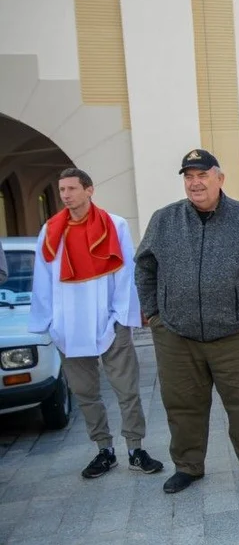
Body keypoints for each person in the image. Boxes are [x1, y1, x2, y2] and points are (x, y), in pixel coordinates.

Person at [135, 149, 239, 494]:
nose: (195, 183)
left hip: (237, 334)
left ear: (220, 178)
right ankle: (187, 466)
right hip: (176, 334)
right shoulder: (164, 220)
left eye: (202, 175)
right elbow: (144, 268)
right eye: (188, 177)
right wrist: (155, 314)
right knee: (182, 403)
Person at [29, 167, 163, 479]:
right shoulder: (50, 231)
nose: (66, 195)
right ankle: (103, 450)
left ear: (89, 190)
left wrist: (120, 318)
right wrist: (51, 324)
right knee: (85, 392)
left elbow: (126, 273)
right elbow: (43, 280)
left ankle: (135, 448)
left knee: (127, 390)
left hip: (109, 322)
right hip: (69, 327)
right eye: (62, 190)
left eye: (72, 189)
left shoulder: (114, 225)